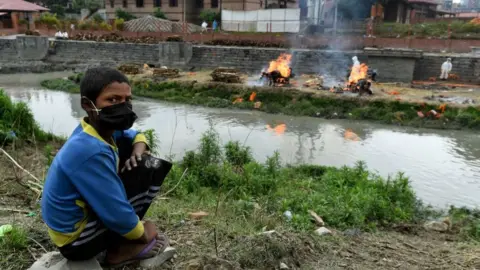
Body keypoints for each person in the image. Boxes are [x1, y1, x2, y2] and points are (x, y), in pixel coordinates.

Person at [41, 67, 172, 267]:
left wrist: (138, 151)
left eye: (127, 100)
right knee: (149, 166)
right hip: (75, 242)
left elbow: (135, 135)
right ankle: (120, 250)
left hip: (74, 228)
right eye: (112, 100)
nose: (123, 106)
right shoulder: (89, 151)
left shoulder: (95, 130)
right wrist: (142, 233)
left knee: (142, 158)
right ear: (87, 104)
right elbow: (114, 211)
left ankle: (124, 234)